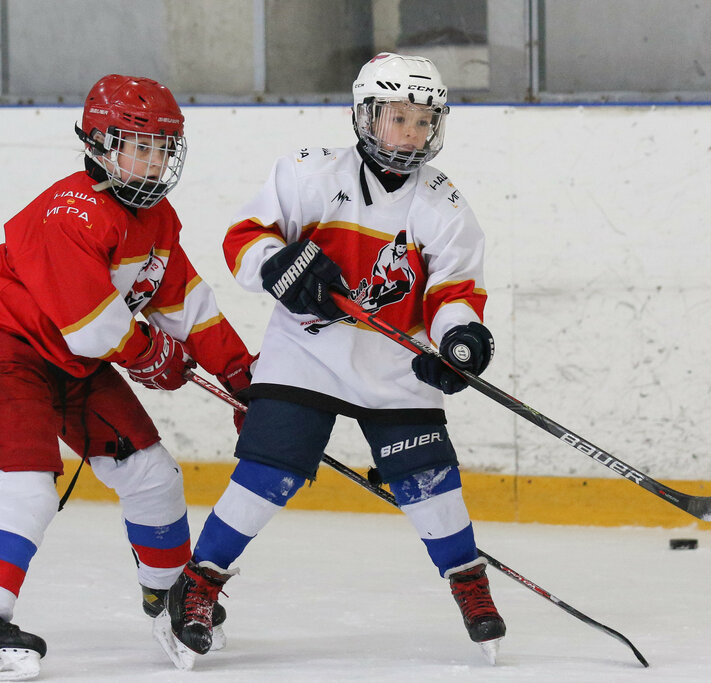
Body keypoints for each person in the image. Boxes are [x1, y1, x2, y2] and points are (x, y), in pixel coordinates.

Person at [154, 53, 505, 670]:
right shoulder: (310, 173)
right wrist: (280, 264)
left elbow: (453, 295)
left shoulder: (444, 204)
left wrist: (459, 342)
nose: (412, 133)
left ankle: (468, 584)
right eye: (398, 118)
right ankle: (200, 584)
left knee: (429, 481)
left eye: (424, 121)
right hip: (306, 353)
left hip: (395, 363)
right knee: (270, 470)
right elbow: (244, 238)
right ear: (366, 117)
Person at [0, 74, 256, 681]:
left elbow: (185, 301)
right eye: (142, 145)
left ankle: (171, 599)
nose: (156, 161)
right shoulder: (70, 211)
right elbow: (93, 328)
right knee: (28, 483)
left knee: (153, 475)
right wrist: (152, 354)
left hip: (71, 363)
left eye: (164, 147)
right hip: (3, 347)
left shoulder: (156, 217)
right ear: (101, 143)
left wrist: (240, 373)